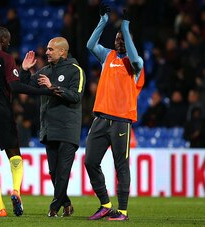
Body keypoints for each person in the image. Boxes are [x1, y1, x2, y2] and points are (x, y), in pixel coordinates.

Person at [0, 26, 58, 217]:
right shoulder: (5, 58)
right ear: (3, 39)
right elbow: (15, 86)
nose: (10, 43)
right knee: (14, 155)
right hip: (2, 114)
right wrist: (45, 91)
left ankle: (0, 207)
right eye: (9, 40)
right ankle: (16, 190)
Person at [85, 4, 145, 221]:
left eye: (122, 39)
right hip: (100, 119)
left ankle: (123, 211)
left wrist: (125, 27)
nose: (118, 42)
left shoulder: (135, 64)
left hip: (121, 122)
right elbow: (90, 44)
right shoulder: (107, 56)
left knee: (121, 166)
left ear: (129, 42)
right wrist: (103, 20)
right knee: (90, 161)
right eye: (117, 38)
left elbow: (136, 58)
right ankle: (105, 204)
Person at [20, 37, 85, 217]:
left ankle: (54, 208)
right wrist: (24, 70)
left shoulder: (75, 71)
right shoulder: (45, 71)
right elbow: (25, 87)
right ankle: (67, 204)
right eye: (47, 49)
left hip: (67, 128)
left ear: (62, 51)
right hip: (49, 128)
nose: (46, 52)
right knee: (54, 172)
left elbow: (76, 96)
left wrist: (53, 87)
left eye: (50, 49)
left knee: (63, 171)